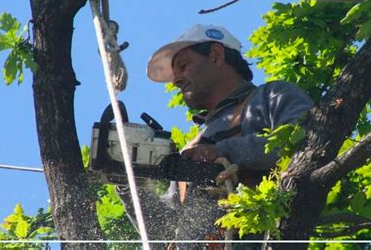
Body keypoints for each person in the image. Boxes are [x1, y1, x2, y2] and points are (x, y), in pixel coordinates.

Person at [117, 24, 313, 247]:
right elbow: (165, 230)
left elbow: (304, 147)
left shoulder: (270, 97)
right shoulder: (191, 148)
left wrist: (222, 152)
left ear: (216, 55)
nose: (176, 80)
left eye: (183, 65)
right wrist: (127, 180)